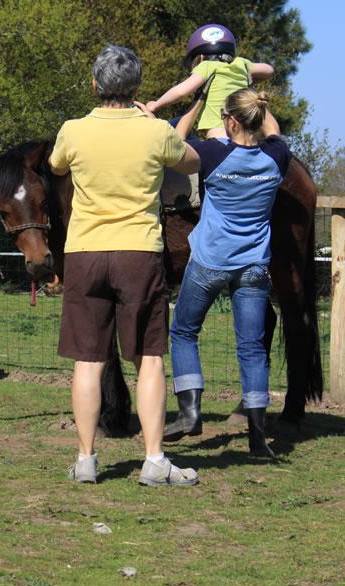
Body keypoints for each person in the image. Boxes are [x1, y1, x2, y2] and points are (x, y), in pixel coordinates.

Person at [49, 45, 201, 486]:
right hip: (139, 253)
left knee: (87, 359)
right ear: (136, 88)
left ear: (95, 85)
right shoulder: (154, 132)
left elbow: (57, 164)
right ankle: (154, 461)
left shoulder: (73, 130)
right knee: (149, 358)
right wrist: (155, 122)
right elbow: (191, 160)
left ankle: (85, 459)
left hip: (85, 253)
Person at [164, 89, 289, 457]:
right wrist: (259, 104)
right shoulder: (277, 157)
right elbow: (274, 130)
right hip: (253, 266)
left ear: (231, 121)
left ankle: (190, 412)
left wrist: (197, 104)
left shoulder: (213, 154)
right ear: (257, 116)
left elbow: (173, 146)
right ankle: (256, 437)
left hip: (209, 264)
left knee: (184, 332)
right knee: (251, 348)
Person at [146, 24, 274, 139]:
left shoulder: (206, 66)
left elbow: (181, 91)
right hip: (244, 135)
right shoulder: (241, 63)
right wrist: (249, 76)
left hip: (220, 134)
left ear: (200, 57)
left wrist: (156, 104)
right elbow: (269, 70)